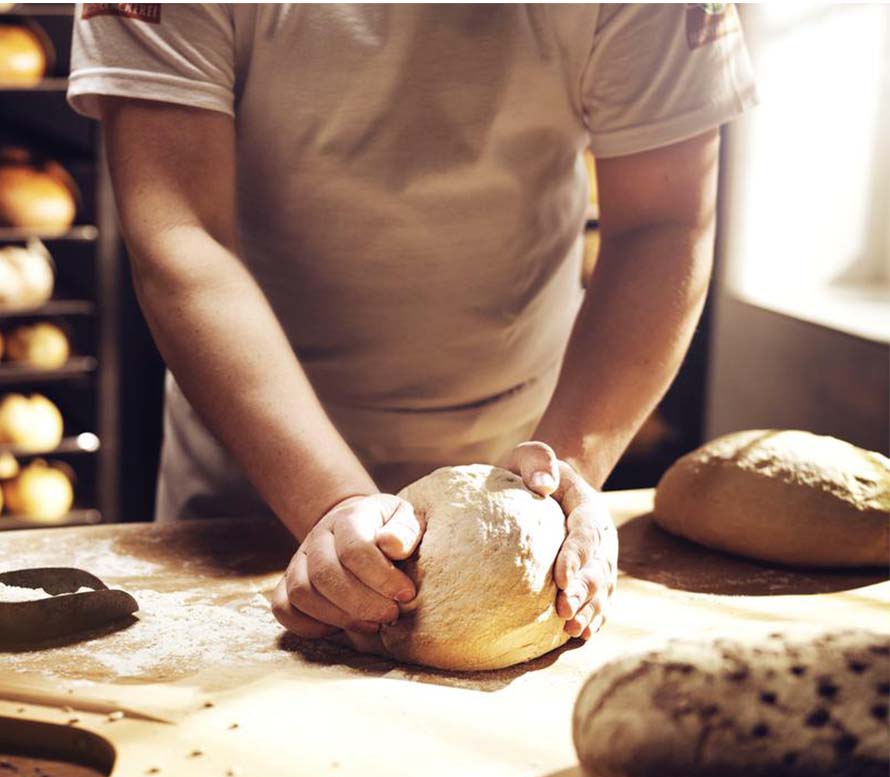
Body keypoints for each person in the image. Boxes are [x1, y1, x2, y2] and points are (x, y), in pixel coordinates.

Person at [68, 4, 756, 644]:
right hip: (251, 485)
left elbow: (662, 226)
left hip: (523, 460)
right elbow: (183, 234)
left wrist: (566, 468)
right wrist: (328, 501)